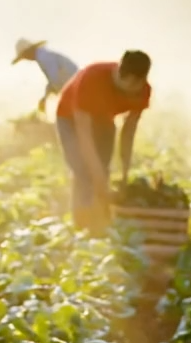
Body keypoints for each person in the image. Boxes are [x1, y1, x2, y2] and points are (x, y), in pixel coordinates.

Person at [56, 50, 151, 231]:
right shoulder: (92, 78)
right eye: (134, 84)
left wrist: (124, 173)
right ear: (128, 78)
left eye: (141, 83)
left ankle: (102, 220)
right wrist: (97, 174)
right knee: (84, 171)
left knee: (103, 170)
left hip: (104, 119)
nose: (137, 90)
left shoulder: (143, 91)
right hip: (69, 118)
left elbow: (128, 132)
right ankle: (82, 225)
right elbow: (83, 134)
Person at [11, 38, 78, 114]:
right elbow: (53, 81)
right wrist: (45, 98)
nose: (26, 59)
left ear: (28, 51)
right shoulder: (44, 55)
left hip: (75, 87)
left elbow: (55, 81)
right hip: (75, 86)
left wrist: (47, 98)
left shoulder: (44, 58)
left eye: (24, 56)